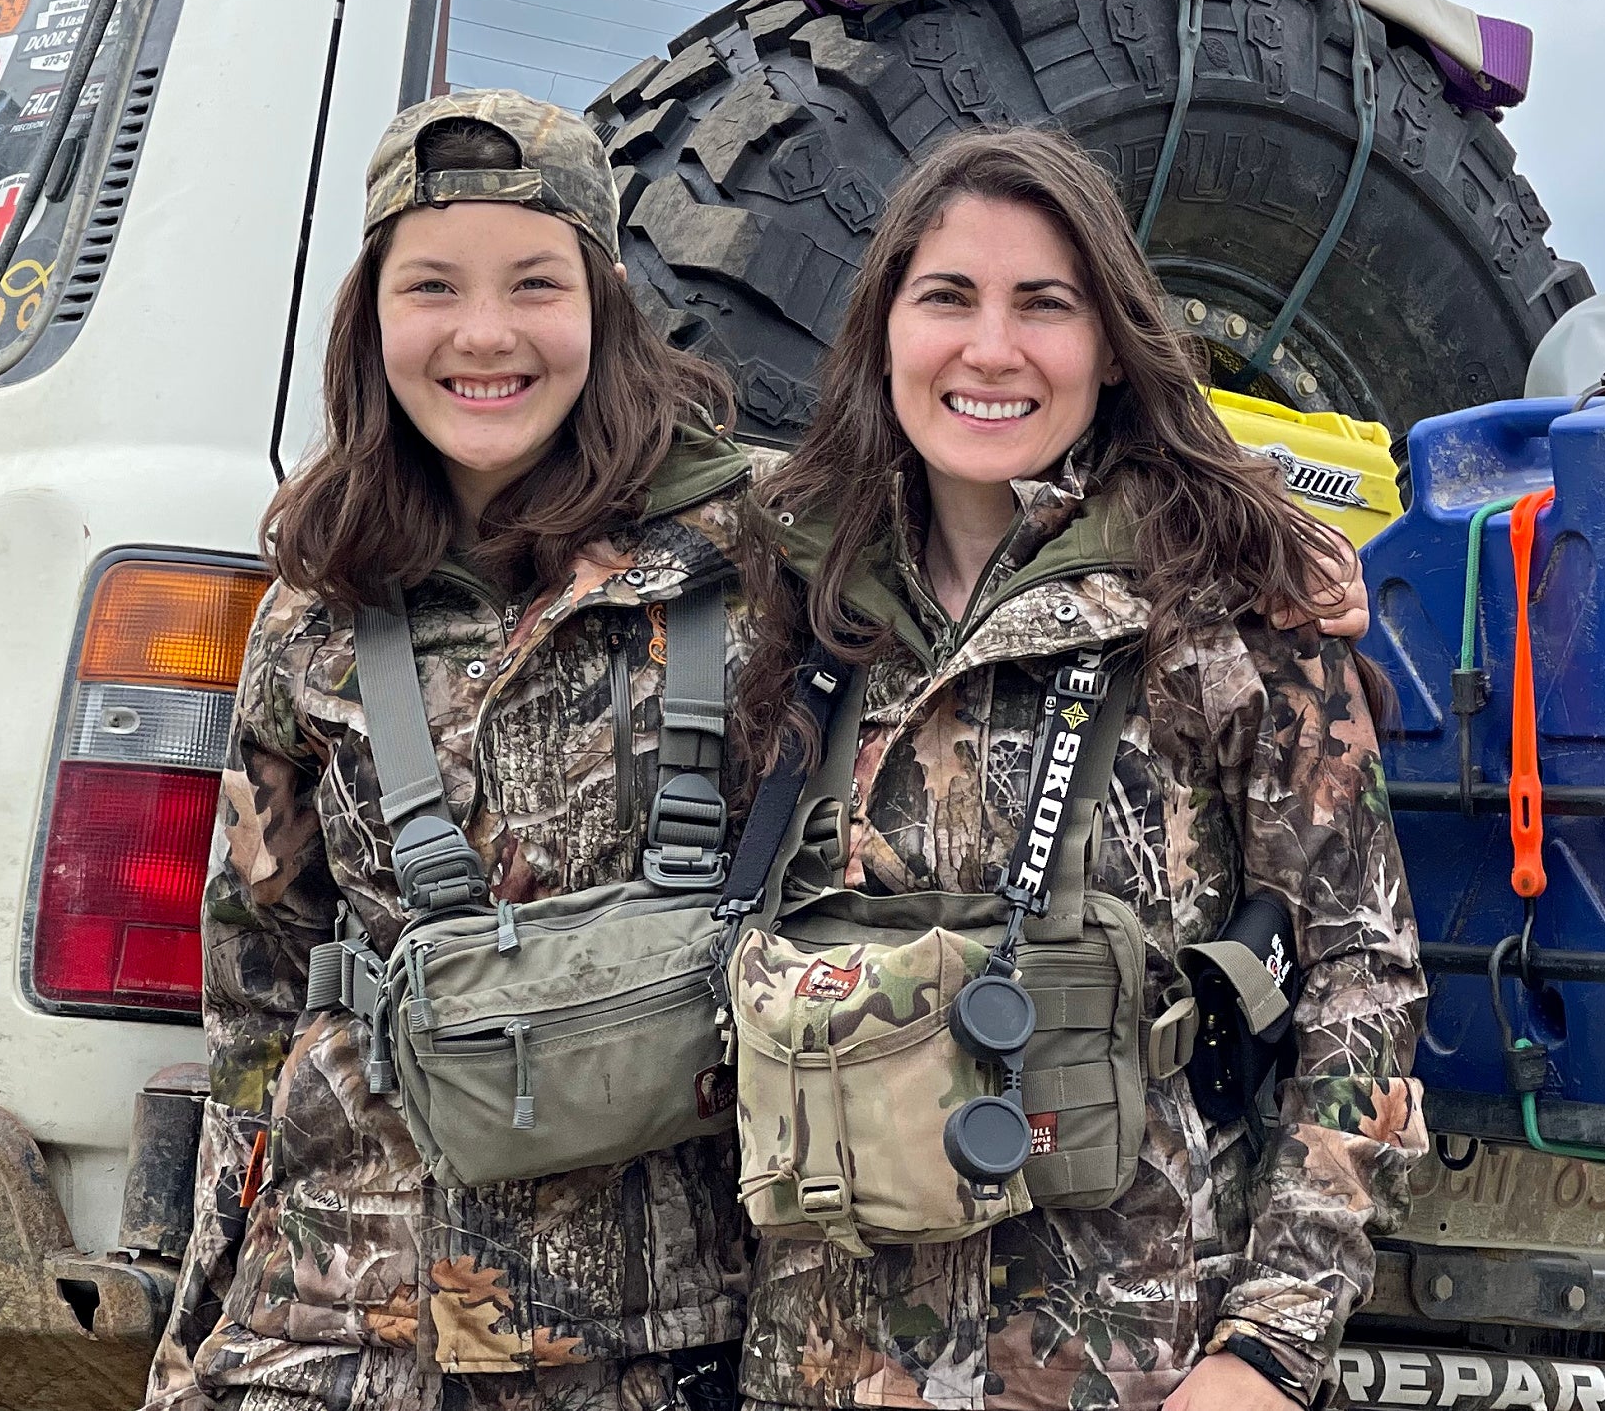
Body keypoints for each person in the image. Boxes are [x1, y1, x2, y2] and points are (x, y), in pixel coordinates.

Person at [730, 127, 1426, 1411]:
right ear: (883, 328)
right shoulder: (785, 598)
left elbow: (1362, 985)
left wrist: (1269, 1345)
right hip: (821, 1366)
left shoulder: (1233, 607)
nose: (989, 350)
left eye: (1041, 305)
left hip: (1132, 1365)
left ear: (1108, 345)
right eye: (946, 297)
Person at [143, 89, 759, 1411]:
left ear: (603, 303)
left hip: (652, 1339)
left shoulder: (766, 555)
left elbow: (1014, 524)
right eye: (432, 287)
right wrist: (192, 1349)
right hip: (331, 1328)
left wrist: (1296, 561)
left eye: (535, 283)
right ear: (373, 320)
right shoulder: (314, 605)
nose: (484, 335)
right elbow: (255, 1008)